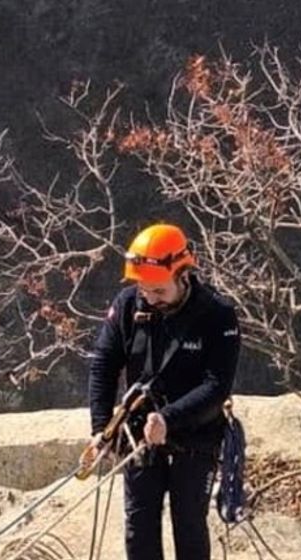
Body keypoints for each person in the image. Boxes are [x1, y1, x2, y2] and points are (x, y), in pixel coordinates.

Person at [86, 223, 240, 560]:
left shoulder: (217, 315)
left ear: (183, 275)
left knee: (189, 526)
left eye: (159, 291)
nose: (151, 299)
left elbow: (217, 386)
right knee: (139, 529)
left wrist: (169, 419)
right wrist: (101, 427)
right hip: (139, 433)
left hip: (195, 434)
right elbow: (104, 365)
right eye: (145, 290)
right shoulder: (129, 305)